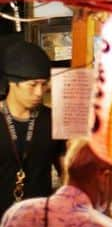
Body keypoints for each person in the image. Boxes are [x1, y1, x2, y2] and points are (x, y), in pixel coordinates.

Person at [0, 38, 65, 216]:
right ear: (13, 83)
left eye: (43, 84)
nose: (39, 92)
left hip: (38, 222)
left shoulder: (53, 120)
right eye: (32, 85)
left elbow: (66, 175)